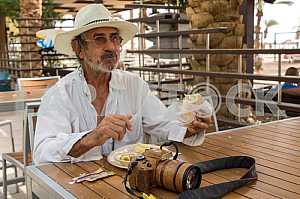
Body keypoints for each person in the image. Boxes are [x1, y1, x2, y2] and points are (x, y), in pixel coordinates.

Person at [33, 4, 212, 164]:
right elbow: (42, 152)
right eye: (99, 39)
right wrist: (91, 138)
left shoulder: (134, 85)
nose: (111, 47)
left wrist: (189, 129)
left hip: (132, 182)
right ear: (78, 48)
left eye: (115, 38)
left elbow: (161, 124)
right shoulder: (60, 94)